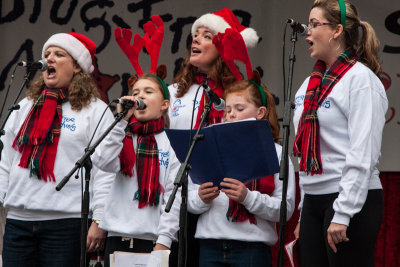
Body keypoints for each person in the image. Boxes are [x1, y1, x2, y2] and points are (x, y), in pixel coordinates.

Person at [0, 32, 114, 266]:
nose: (49, 58)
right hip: (18, 220)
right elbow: (5, 160)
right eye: (47, 54)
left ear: (77, 68)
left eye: (59, 54)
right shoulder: (25, 106)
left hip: (67, 222)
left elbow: (106, 170)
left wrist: (99, 219)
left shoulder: (96, 110)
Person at [292, 0, 388, 266]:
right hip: (313, 200)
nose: (307, 32)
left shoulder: (360, 80)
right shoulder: (308, 85)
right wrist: (303, 213)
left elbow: (363, 151)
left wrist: (343, 213)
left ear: (336, 31)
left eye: (314, 24)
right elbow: (303, 152)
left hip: (350, 198)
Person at [92, 15, 181, 267]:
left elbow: (174, 197)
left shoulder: (171, 143)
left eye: (148, 92)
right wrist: (120, 120)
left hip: (153, 241)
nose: (139, 96)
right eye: (136, 92)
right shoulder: (120, 132)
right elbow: (103, 162)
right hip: (116, 238)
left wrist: (163, 241)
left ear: (164, 104)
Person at [187, 76, 296, 267]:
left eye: (239, 108)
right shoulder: (210, 148)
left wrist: (247, 197)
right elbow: (186, 200)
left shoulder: (276, 153)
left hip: (252, 250)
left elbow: (285, 210)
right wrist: (200, 198)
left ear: (260, 112)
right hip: (209, 246)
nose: (231, 115)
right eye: (228, 110)